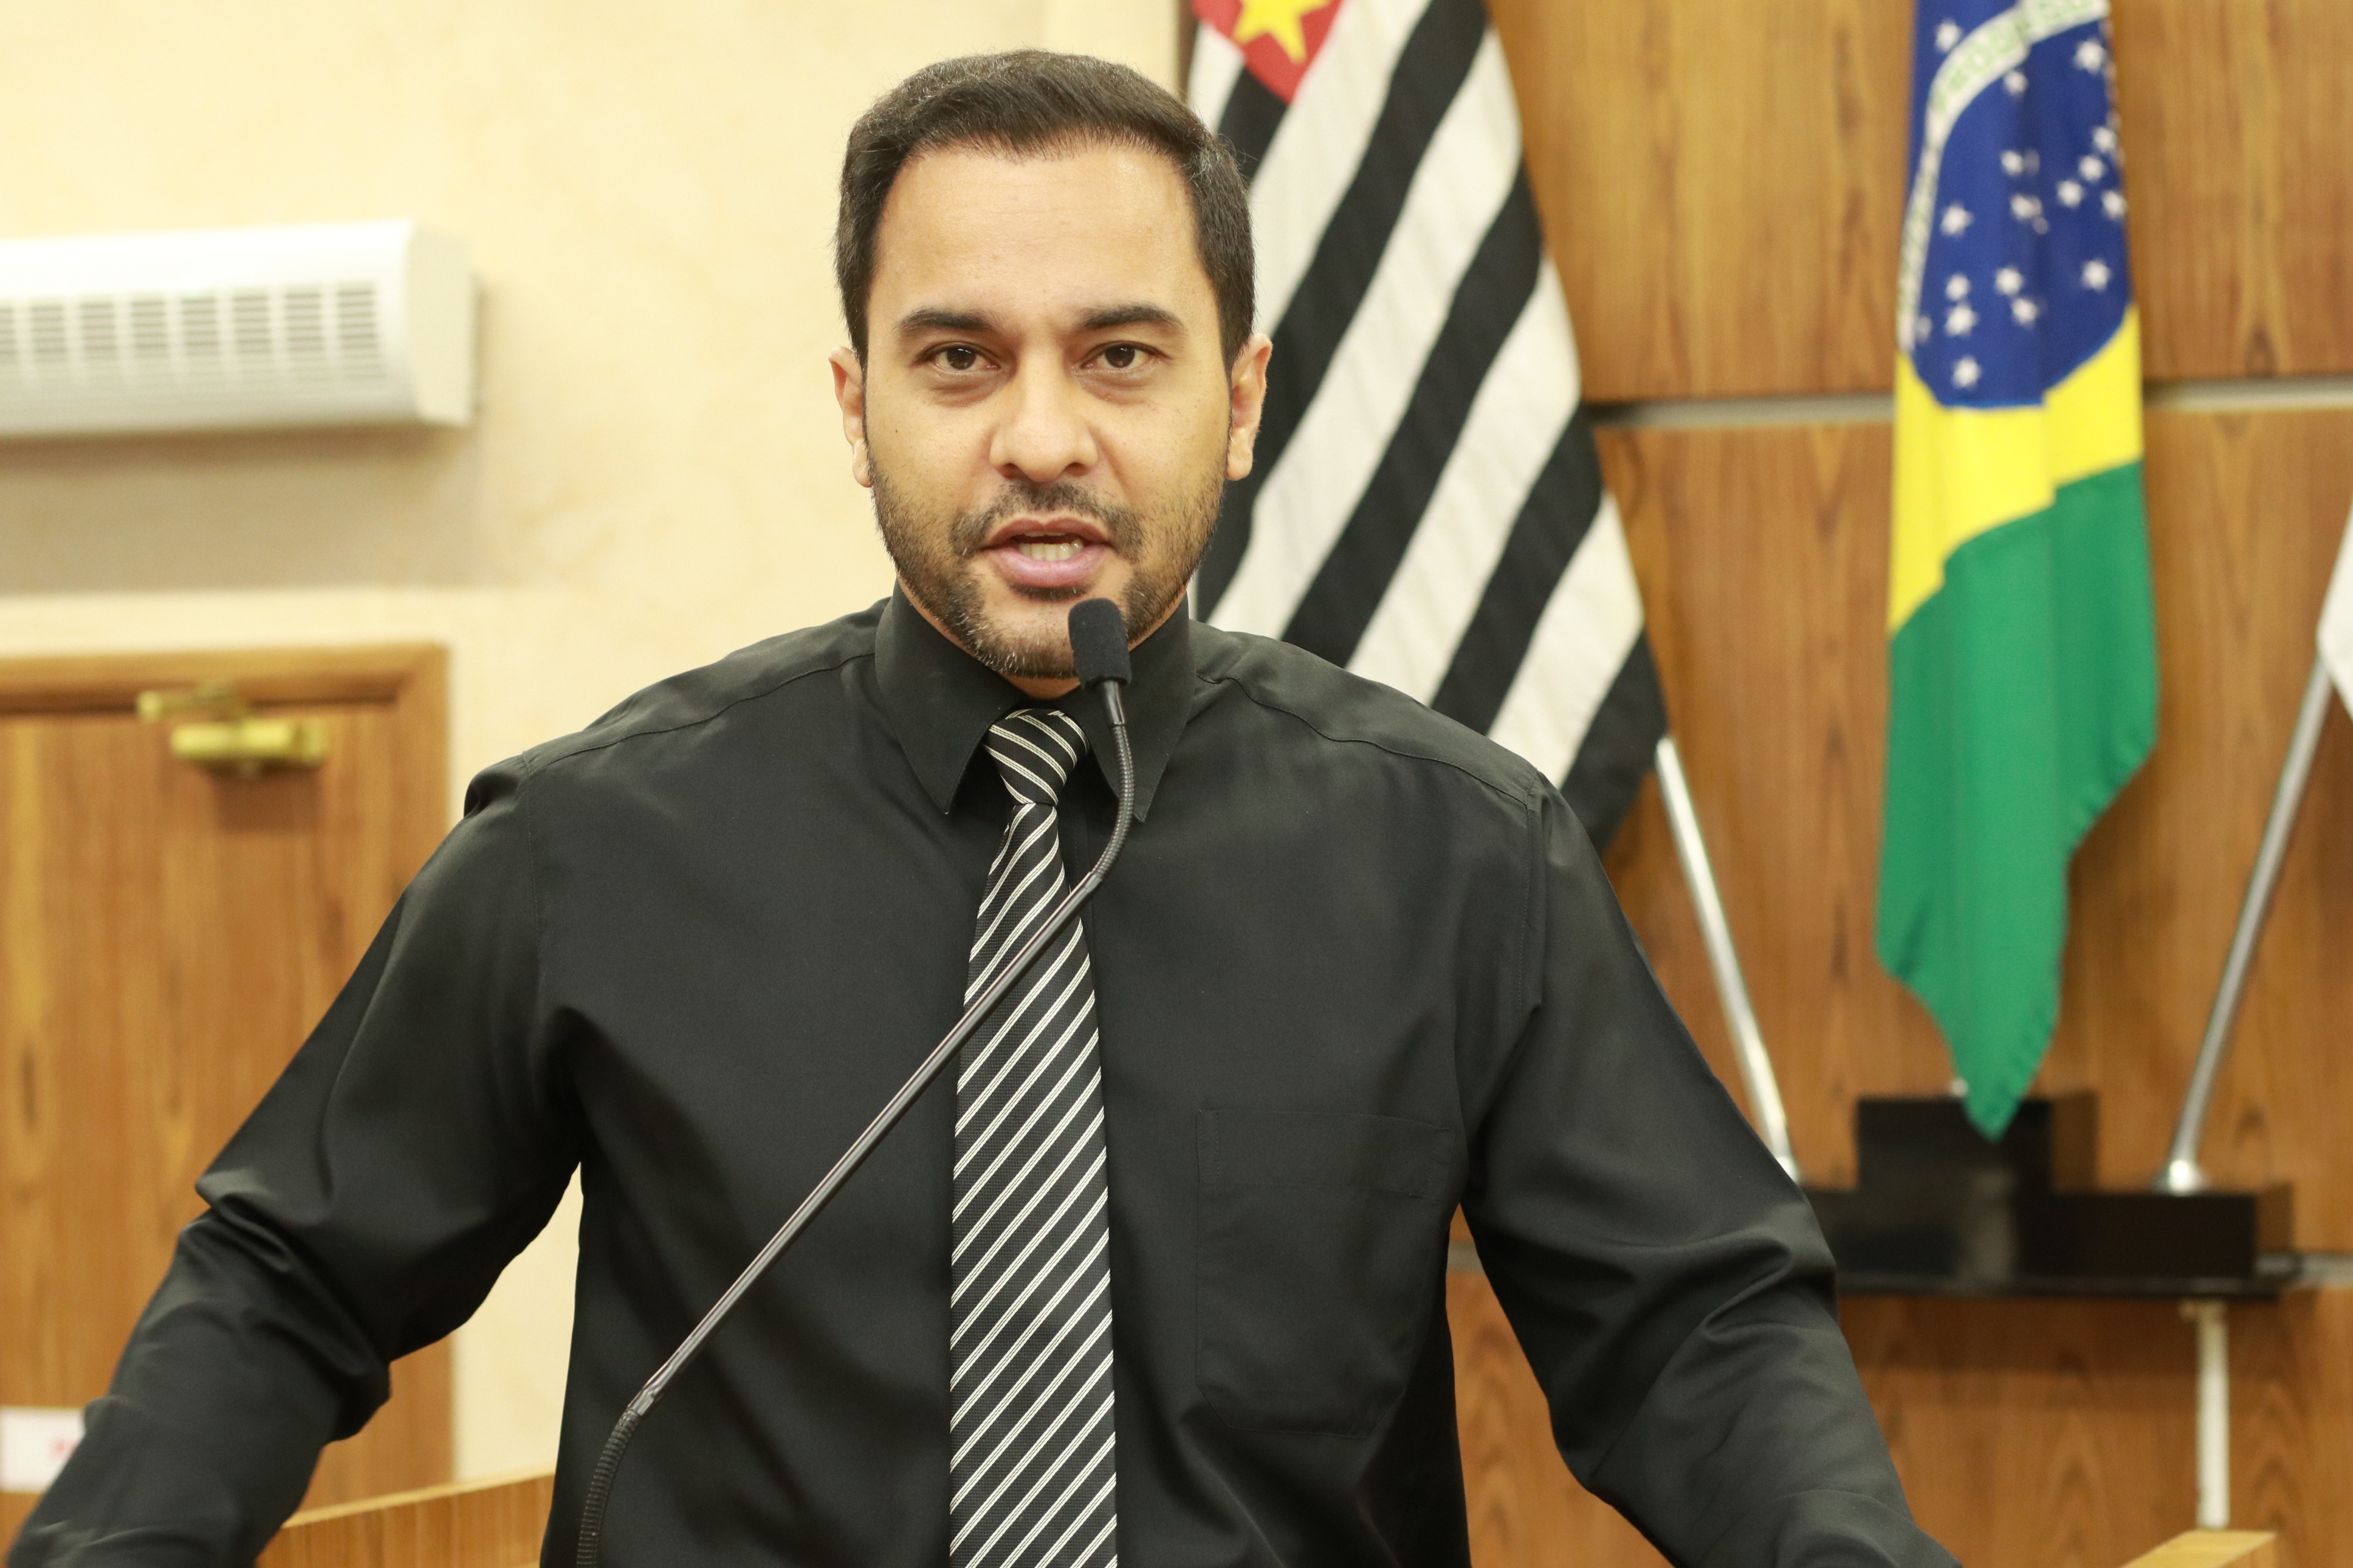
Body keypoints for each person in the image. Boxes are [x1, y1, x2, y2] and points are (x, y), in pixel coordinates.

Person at [14, 51, 1956, 1568]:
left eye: (1121, 355)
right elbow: (288, 1279)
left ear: (1242, 401)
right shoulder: (594, 844)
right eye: (960, 359)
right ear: (857, 403)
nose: (1041, 436)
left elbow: (1694, 1331)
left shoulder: (1458, 856)